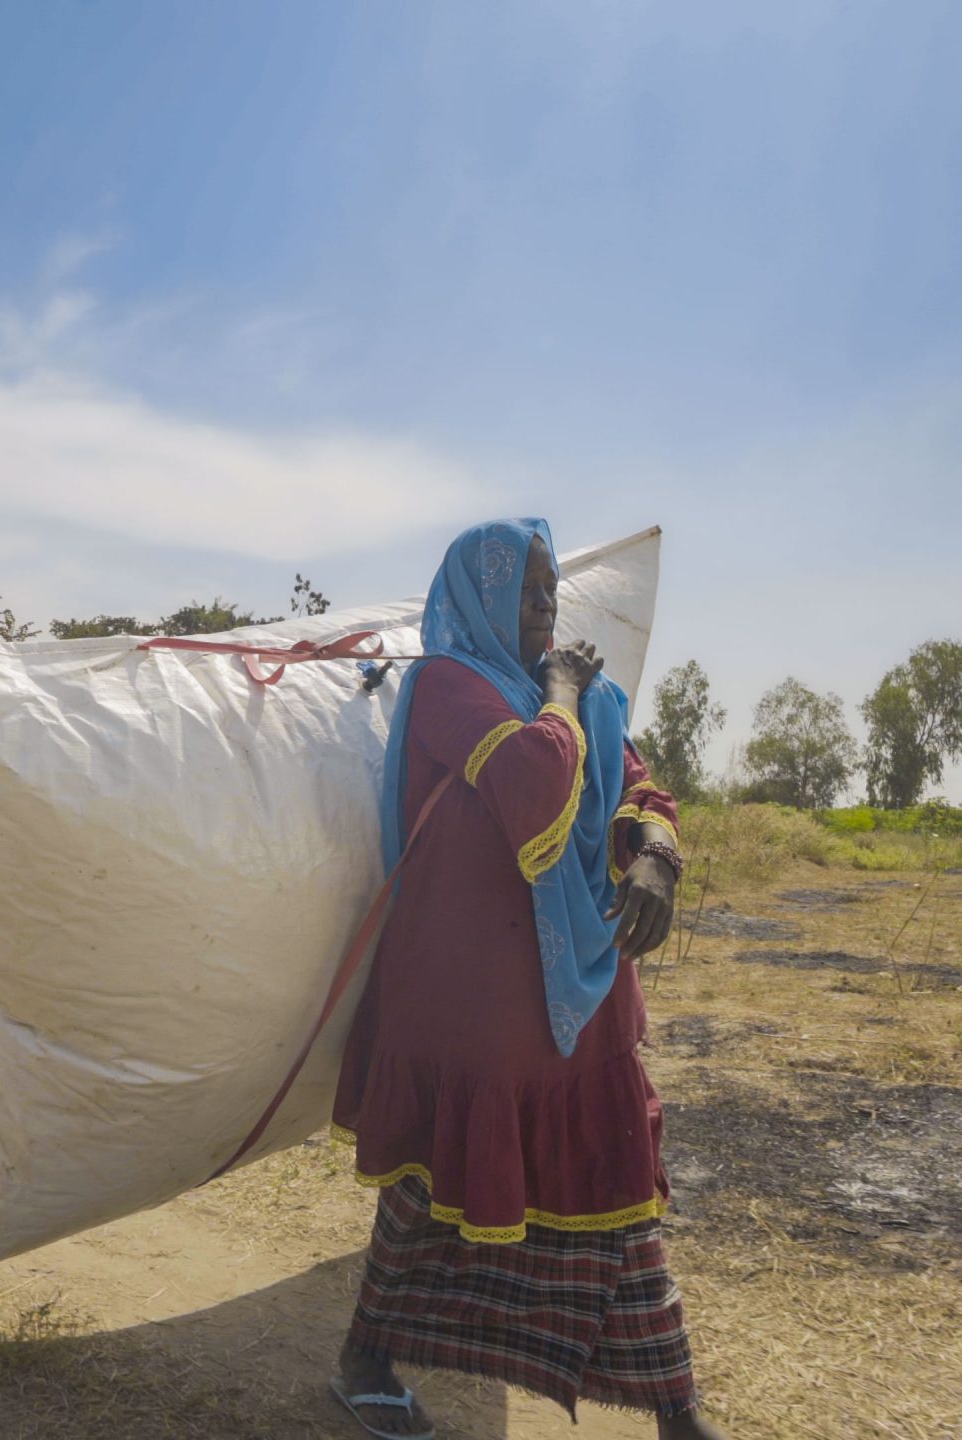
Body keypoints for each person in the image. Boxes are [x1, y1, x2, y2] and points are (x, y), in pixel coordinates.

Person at [328, 520, 721, 1439]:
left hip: (582, 999)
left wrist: (656, 850)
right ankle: (365, 1361)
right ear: (487, 598)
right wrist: (559, 692)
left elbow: (638, 786)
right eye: (531, 592)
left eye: (552, 591)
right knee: (429, 1195)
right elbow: (536, 793)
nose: (549, 609)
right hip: (468, 1010)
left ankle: (676, 1410)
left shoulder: (593, 702)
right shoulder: (446, 688)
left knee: (619, 1195)